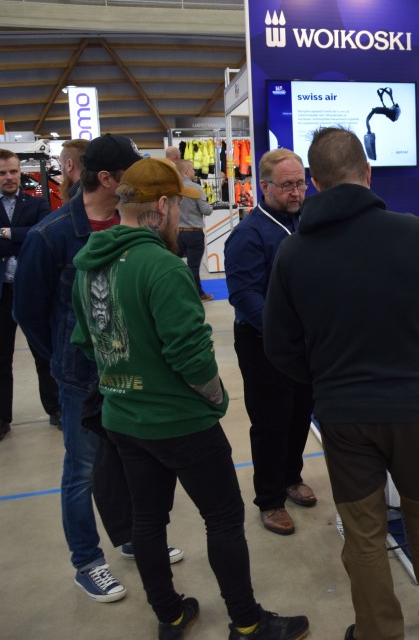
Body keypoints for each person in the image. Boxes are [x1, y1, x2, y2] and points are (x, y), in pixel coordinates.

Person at [70, 156, 309, 640]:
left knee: (147, 519)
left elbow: (86, 341)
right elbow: (191, 355)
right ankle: (247, 622)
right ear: (162, 205)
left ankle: (171, 616)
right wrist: (215, 399)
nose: (180, 216)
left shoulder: (90, 265)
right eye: (179, 206)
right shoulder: (162, 267)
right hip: (180, 421)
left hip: (123, 416)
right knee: (223, 518)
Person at [263, 127, 419, 640]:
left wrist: (325, 379)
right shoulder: (418, 235)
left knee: (363, 532)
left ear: (314, 183)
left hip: (343, 416)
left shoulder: (294, 253)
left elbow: (279, 347)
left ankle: (378, 632)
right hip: (412, 410)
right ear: (368, 172)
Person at [13, 134, 182, 603]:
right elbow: (28, 311)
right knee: (82, 470)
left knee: (133, 461)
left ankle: (132, 537)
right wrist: (65, 359)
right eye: (130, 170)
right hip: (81, 377)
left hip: (132, 371)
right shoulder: (51, 235)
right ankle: (87, 562)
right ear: (106, 178)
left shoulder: (135, 223)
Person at [225, 148, 316, 536]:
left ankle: (291, 477)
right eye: (287, 185)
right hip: (263, 343)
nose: (296, 192)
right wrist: (284, 332)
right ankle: (269, 499)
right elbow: (244, 296)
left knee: (300, 414)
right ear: (264, 187)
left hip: (305, 342)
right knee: (270, 422)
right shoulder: (249, 235)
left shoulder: (305, 224)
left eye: (300, 184)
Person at [0, 148, 61, 437]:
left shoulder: (37, 204)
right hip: (2, 293)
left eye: (13, 171)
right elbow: (31, 237)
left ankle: (56, 408)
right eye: (2, 173)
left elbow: (42, 236)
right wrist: (23, 236)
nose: (9, 177)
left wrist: (6, 233)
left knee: (44, 353)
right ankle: (2, 418)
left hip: (33, 291)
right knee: (1, 358)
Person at [175, 159, 213, 301]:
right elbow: (205, 210)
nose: (194, 172)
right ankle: (198, 294)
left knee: (176, 264)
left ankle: (178, 292)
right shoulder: (196, 188)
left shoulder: (174, 188)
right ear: (186, 171)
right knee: (194, 266)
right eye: (192, 169)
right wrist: (210, 207)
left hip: (177, 233)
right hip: (194, 233)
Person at [59, 138, 88, 203]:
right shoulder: (103, 192)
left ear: (69, 164)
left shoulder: (75, 203)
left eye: (61, 163)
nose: (61, 168)